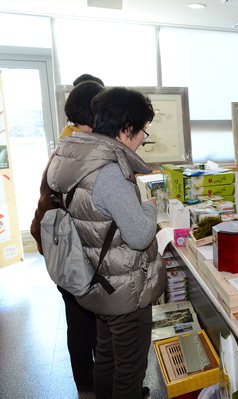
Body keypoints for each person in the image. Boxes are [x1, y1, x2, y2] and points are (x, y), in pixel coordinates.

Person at [45, 87, 166, 399]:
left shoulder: (76, 159)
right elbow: (139, 235)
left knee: (107, 359)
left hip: (100, 282)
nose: (142, 139)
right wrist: (150, 206)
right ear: (126, 129)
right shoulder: (109, 171)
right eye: (142, 131)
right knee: (129, 371)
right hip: (125, 290)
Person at [30, 79, 105, 394]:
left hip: (60, 247)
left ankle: (87, 386)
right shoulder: (85, 151)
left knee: (78, 321)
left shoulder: (66, 144)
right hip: (77, 252)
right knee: (91, 323)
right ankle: (96, 387)